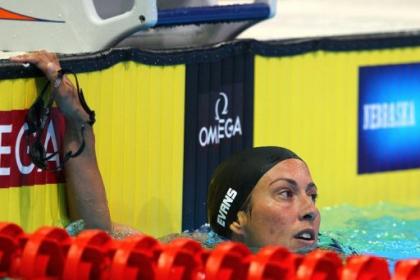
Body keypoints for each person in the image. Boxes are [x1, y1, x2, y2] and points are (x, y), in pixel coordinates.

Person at [10, 51, 354, 255]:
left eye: (311, 195)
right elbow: (95, 237)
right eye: (285, 193)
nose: (310, 211)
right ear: (238, 220)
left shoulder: (338, 260)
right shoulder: (188, 257)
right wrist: (78, 123)